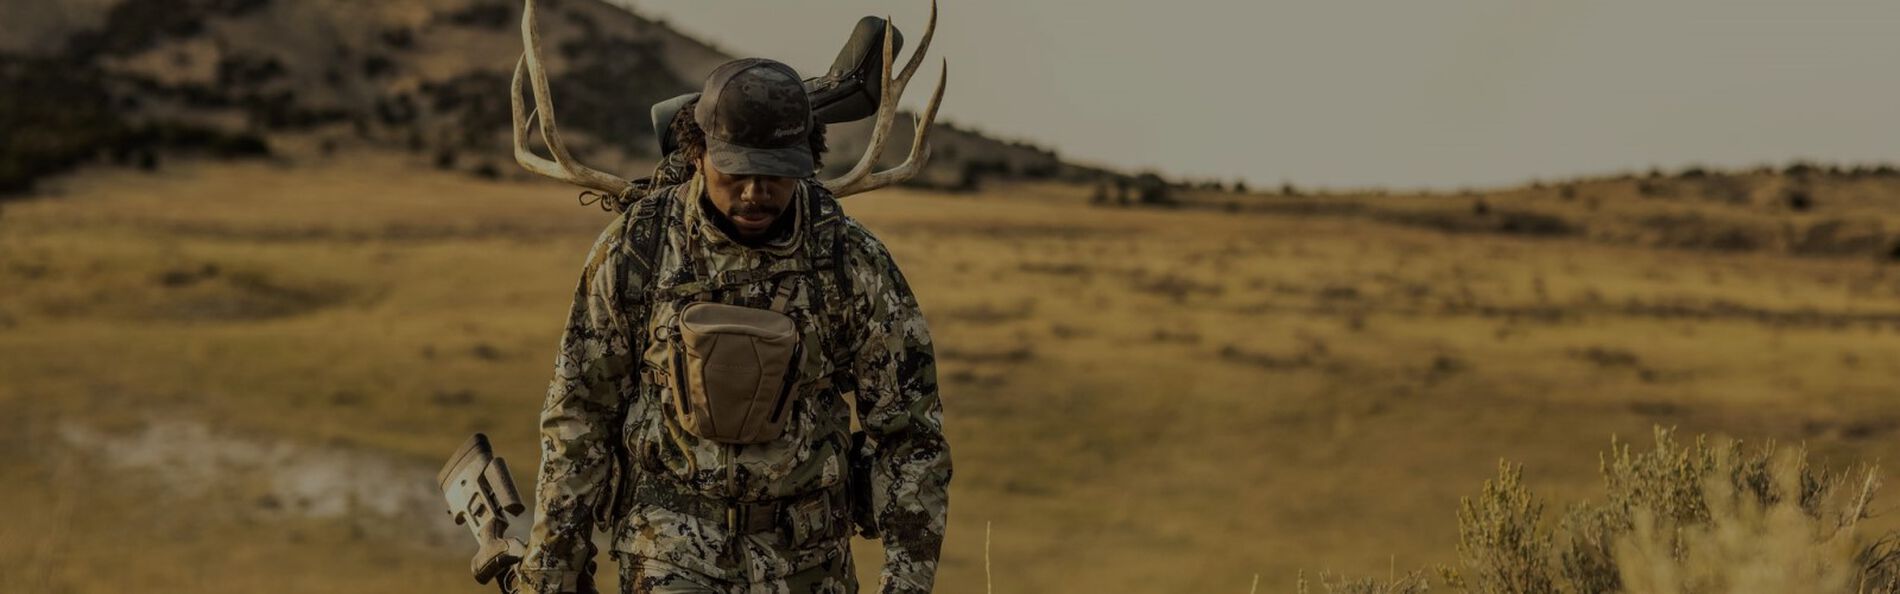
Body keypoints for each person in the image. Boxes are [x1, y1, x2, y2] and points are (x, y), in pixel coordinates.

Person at [511, 57, 952, 594]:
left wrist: (907, 582)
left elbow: (911, 437)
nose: (754, 193)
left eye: (776, 174)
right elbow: (580, 413)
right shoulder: (637, 250)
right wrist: (551, 569)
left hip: (810, 563)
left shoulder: (850, 260)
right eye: (736, 171)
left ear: (807, 163)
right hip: (667, 554)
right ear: (697, 154)